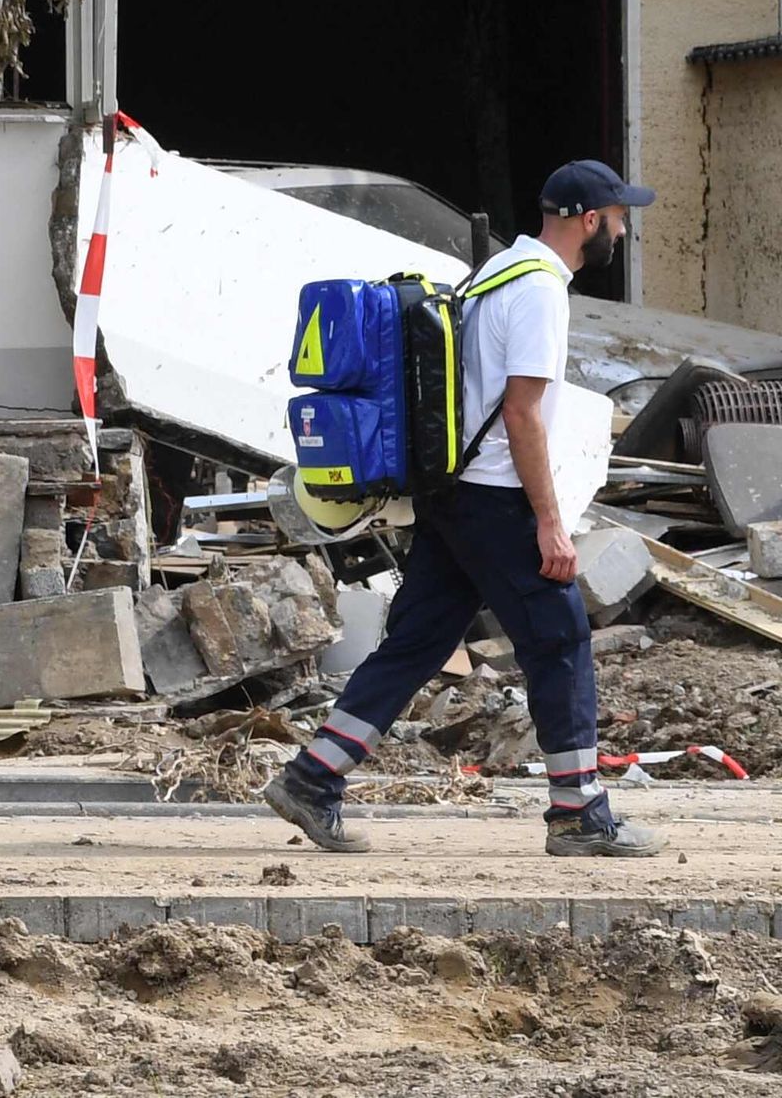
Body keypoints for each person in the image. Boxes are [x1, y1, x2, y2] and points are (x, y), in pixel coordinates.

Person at [263, 158, 660, 860]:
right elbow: (521, 412)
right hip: (498, 498)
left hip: (450, 495)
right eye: (620, 217)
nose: (624, 231)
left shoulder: (496, 271)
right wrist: (548, 520)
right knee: (561, 639)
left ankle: (312, 776)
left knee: (415, 642)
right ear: (589, 220)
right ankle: (578, 811)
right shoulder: (540, 292)